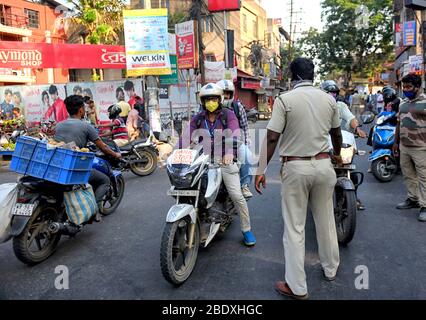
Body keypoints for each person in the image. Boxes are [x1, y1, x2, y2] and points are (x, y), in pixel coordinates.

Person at [254, 57, 342, 300]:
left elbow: (272, 138)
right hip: (324, 166)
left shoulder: (285, 100)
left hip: (295, 167)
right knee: (325, 220)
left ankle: (297, 287)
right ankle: (331, 269)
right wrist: (335, 155)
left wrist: (261, 169)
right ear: (312, 75)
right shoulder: (328, 99)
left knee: (294, 227)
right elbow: (336, 133)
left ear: (292, 76)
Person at [179, 82, 256, 247]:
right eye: (207, 99)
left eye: (213, 98)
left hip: (224, 160)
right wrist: (174, 153)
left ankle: (247, 229)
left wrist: (229, 153)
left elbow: (234, 134)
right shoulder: (198, 117)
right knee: (187, 187)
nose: (210, 102)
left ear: (220, 99)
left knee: (236, 195)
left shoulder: (228, 115)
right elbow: (186, 136)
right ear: (203, 102)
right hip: (204, 159)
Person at [54, 95, 121, 219]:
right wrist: (115, 154)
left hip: (57, 165)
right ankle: (93, 209)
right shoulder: (86, 126)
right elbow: (103, 147)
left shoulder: (58, 125)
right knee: (104, 180)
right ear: (80, 110)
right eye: (83, 108)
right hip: (74, 168)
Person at [321, 80, 366, 210]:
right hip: (323, 144)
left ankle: (354, 197)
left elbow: (350, 118)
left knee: (353, 173)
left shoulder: (340, 106)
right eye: (329, 93)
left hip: (340, 142)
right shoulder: (317, 107)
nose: (332, 96)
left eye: (334, 93)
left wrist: (357, 128)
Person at [393, 74, 426, 221]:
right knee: (408, 175)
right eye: (403, 87)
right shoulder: (403, 103)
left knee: (424, 177)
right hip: (404, 146)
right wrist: (395, 143)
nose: (405, 89)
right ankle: (413, 199)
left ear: (417, 87)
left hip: (421, 147)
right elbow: (399, 123)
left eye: (408, 87)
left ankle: (424, 206)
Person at [216, 79, 253, 199]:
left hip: (235, 143)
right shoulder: (209, 106)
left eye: (228, 93)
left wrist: (246, 142)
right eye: (223, 93)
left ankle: (244, 185)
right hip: (214, 144)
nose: (226, 96)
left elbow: (245, 127)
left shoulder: (238, 107)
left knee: (247, 155)